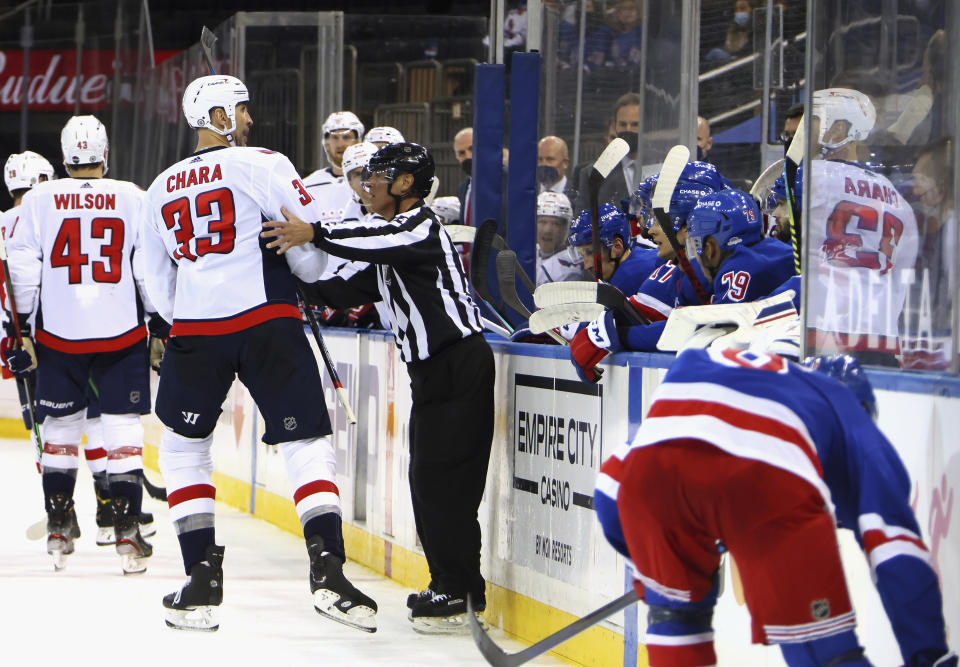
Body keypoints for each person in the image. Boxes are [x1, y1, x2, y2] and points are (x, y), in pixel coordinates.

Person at [143, 74, 376, 633]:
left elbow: (154, 280)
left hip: (196, 331)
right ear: (221, 116)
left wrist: (192, 319)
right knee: (304, 443)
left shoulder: (158, 188)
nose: (249, 120)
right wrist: (315, 276)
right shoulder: (264, 162)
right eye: (242, 111)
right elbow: (307, 247)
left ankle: (200, 578)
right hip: (268, 319)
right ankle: (327, 569)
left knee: (181, 448)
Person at [593, 347, 955, 667]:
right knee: (826, 655)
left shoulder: (742, 375)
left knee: (677, 615)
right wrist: (929, 653)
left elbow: (610, 492)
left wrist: (654, 566)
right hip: (766, 484)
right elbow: (894, 544)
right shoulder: (847, 411)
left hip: (651, 480)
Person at [261, 142, 495, 634]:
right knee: (428, 482)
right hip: (434, 374)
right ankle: (455, 584)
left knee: (445, 484)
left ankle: (459, 588)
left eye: (377, 177)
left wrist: (314, 232)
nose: (366, 187)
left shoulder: (419, 228)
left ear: (406, 184)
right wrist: (297, 286)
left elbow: (367, 238)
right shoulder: (394, 243)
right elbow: (352, 288)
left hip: (459, 367)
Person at [3, 117, 154, 574]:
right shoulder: (133, 195)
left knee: (62, 428)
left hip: (59, 334)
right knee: (123, 429)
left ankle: (57, 523)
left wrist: (22, 329)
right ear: (105, 153)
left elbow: (24, 271)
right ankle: (127, 527)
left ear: (64, 156)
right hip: (122, 331)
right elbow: (146, 267)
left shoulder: (41, 200)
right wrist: (160, 321)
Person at [805, 88, 918, 366]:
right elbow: (901, 274)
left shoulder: (810, 178)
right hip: (880, 339)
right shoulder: (898, 199)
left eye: (814, 120)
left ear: (838, 130)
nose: (803, 132)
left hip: (821, 333)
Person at [568, 203, 656, 295]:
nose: (587, 266)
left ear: (617, 246)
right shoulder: (646, 254)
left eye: (591, 252)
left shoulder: (624, 284)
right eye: (582, 255)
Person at [575, 93, 640, 214]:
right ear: (615, 126)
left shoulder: (661, 167)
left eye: (635, 124)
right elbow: (581, 227)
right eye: (623, 124)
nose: (628, 129)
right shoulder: (593, 174)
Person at [303, 110, 364, 225]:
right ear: (326, 143)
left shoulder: (372, 182)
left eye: (346, 137)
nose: (340, 144)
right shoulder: (308, 185)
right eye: (335, 138)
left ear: (358, 141)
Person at [535, 191, 582, 285]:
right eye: (543, 222)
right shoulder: (531, 252)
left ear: (566, 228)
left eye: (556, 224)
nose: (547, 230)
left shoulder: (569, 270)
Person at [537, 136, 576, 202]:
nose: (543, 164)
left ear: (565, 163)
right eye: (540, 159)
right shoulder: (527, 194)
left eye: (549, 159)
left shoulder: (577, 197)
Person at [453, 127, 473, 225]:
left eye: (472, 149)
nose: (468, 156)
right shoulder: (463, 187)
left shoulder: (505, 181)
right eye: (461, 153)